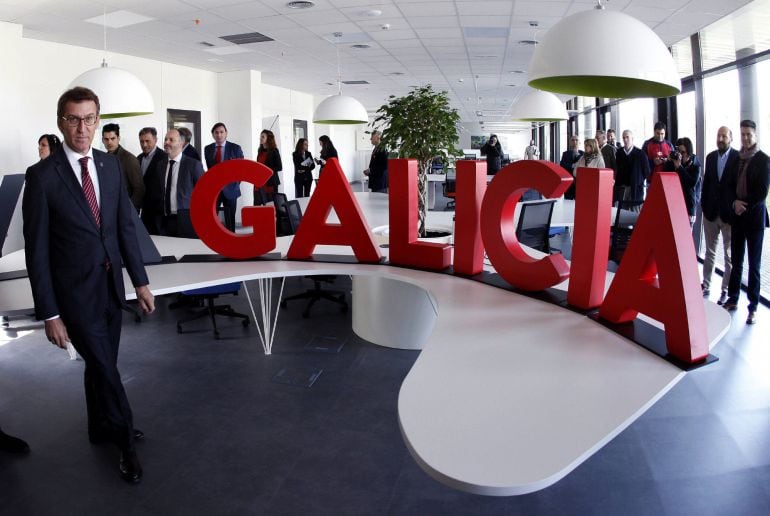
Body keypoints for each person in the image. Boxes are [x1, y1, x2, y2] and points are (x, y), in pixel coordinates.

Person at [22, 86, 155, 483]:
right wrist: (49, 312)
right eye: (73, 119)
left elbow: (123, 229)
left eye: (89, 118)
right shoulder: (42, 176)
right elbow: (37, 251)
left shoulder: (110, 166)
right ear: (61, 121)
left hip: (111, 288)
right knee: (105, 368)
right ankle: (125, 444)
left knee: (102, 365)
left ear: (98, 121)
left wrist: (141, 282)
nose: (82, 127)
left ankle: (99, 426)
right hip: (73, 296)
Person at [722, 119, 770, 325]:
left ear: (755, 135)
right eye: (742, 134)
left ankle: (753, 306)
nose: (745, 138)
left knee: (754, 265)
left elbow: (762, 191)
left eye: (748, 134)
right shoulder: (736, 159)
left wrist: (744, 205)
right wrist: (734, 203)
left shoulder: (763, 160)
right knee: (737, 260)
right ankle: (733, 298)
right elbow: (727, 185)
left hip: (754, 219)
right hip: (737, 217)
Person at [701, 126, 739, 303]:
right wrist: (704, 205)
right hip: (710, 213)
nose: (721, 138)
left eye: (724, 136)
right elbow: (706, 183)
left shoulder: (737, 158)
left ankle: (725, 290)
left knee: (729, 255)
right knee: (709, 252)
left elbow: (739, 187)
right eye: (719, 135)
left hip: (728, 215)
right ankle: (706, 284)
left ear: (730, 138)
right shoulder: (710, 157)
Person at [142, 128, 203, 238]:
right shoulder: (160, 165)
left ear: (181, 143)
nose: (166, 142)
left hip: (186, 221)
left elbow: (203, 193)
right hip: (164, 221)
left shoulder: (193, 165)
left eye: (171, 140)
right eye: (165, 139)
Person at [204, 122, 244, 232]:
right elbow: (210, 170)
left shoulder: (235, 148)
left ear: (226, 133)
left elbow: (241, 170)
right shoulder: (208, 149)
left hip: (231, 189)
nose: (219, 135)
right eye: (216, 132)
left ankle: (232, 244)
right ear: (213, 134)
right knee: (212, 218)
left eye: (221, 132)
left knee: (230, 221)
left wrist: (234, 183)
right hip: (214, 190)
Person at [102, 123, 144, 211]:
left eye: (112, 138)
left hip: (126, 210)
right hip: (111, 209)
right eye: (106, 139)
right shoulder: (103, 159)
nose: (109, 142)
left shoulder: (129, 159)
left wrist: (129, 209)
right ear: (103, 140)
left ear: (118, 139)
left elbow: (139, 188)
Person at [663, 137, 701, 225]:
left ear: (689, 152)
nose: (680, 155)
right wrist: (669, 162)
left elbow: (691, 183)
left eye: (683, 152)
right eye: (678, 152)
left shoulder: (695, 164)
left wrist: (679, 167)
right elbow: (666, 179)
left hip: (688, 206)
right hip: (674, 205)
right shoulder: (673, 162)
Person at [615, 129, 651, 211]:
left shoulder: (640, 154)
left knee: (635, 215)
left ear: (632, 138)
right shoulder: (619, 153)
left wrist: (638, 180)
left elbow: (647, 171)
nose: (625, 140)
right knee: (621, 214)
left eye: (627, 137)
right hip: (622, 188)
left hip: (635, 189)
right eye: (623, 138)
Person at [255, 129, 282, 202]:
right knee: (259, 203)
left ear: (268, 139)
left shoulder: (274, 151)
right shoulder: (260, 150)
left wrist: (266, 170)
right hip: (260, 181)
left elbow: (279, 167)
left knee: (270, 204)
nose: (260, 138)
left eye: (263, 137)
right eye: (260, 136)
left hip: (270, 182)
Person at [559, 135, 583, 200]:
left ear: (580, 142)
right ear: (570, 142)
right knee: (567, 201)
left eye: (576, 140)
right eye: (573, 140)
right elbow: (562, 165)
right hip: (569, 181)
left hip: (579, 182)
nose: (575, 142)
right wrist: (572, 165)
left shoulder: (583, 154)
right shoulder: (565, 154)